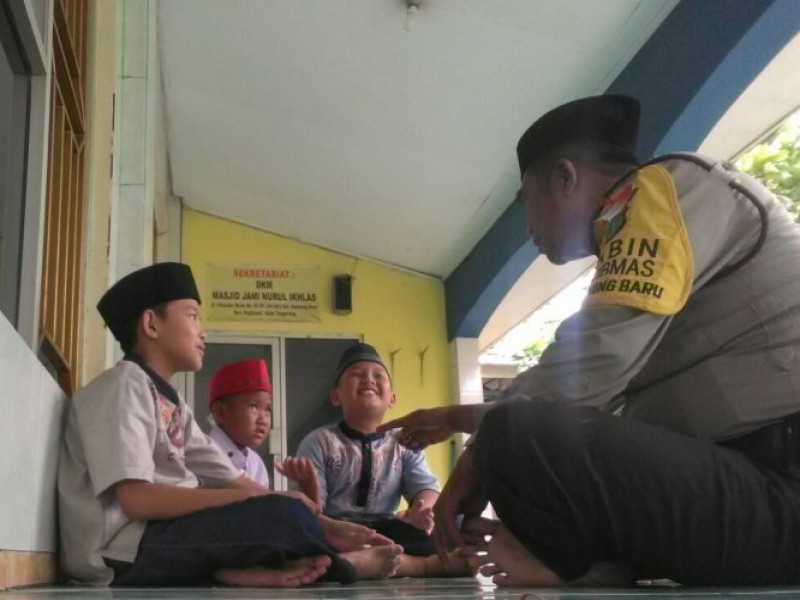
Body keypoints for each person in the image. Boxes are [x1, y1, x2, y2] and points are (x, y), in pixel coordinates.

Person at [380, 95, 800, 587]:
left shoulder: (660, 189)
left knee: (515, 435)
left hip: (778, 483)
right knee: (519, 432)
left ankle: (570, 563)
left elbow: (589, 370)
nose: (527, 226)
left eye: (525, 200)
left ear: (565, 177)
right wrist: (458, 420)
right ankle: (595, 562)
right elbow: (592, 390)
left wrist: (478, 451)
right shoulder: (656, 231)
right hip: (754, 485)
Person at [58, 262, 402, 588]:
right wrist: (254, 503)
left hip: (158, 536)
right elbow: (137, 501)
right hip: (118, 551)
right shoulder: (122, 387)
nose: (202, 332)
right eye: (192, 316)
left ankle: (236, 571)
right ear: (151, 324)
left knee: (288, 510)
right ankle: (342, 565)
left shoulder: (171, 403)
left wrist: (319, 519)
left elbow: (232, 479)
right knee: (281, 518)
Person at [297, 342, 470, 577]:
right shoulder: (318, 441)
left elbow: (425, 487)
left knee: (454, 525)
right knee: (299, 533)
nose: (369, 380)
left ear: (392, 398)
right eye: (357, 375)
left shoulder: (405, 440)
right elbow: (314, 509)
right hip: (337, 530)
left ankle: (359, 562)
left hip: (390, 531)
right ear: (336, 396)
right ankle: (412, 564)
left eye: (378, 376)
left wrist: (423, 510)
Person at [207, 358, 319, 502]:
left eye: (268, 410)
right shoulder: (204, 452)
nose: (263, 419)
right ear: (220, 413)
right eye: (253, 406)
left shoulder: (255, 463)